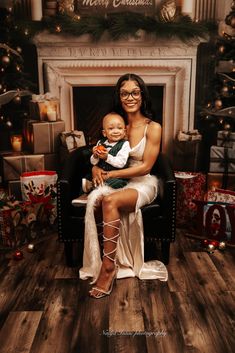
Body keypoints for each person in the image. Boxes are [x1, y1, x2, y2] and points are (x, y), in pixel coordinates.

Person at [79, 73, 168, 298]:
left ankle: (108, 269)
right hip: (118, 178)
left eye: (135, 92)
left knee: (110, 199)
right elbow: (99, 155)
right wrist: (95, 170)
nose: (130, 97)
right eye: (124, 93)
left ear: (142, 95)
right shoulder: (114, 123)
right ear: (119, 97)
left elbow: (146, 167)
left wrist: (110, 175)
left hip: (143, 183)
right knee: (98, 199)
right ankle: (108, 261)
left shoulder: (153, 127)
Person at [82, 112, 131, 193]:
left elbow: (121, 163)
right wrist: (95, 156)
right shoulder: (100, 143)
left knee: (114, 183)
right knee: (87, 177)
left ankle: (93, 190)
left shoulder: (124, 144)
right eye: (111, 129)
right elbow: (93, 163)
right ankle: (86, 194)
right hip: (100, 174)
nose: (116, 131)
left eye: (119, 128)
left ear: (124, 132)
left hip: (117, 176)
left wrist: (107, 157)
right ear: (104, 133)